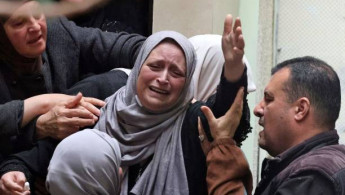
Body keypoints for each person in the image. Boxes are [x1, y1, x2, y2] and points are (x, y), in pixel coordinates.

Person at [46, 15, 252, 195]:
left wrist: (233, 70)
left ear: (188, 81)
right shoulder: (102, 107)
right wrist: (17, 170)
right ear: (137, 67)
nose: (163, 78)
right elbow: (49, 150)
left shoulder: (191, 121)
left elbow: (225, 115)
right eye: (155, 66)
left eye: (176, 72)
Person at [0, 0, 144, 158]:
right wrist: (43, 105)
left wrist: (156, 50)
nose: (35, 27)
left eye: (37, 14)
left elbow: (111, 46)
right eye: (19, 23)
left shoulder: (58, 31)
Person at [199, 56, 345, 195]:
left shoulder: (313, 175)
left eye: (268, 99)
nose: (257, 109)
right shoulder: (325, 165)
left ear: (301, 109)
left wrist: (223, 151)